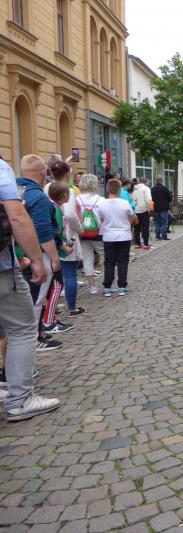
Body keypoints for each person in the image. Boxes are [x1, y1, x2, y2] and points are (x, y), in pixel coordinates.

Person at [0, 157, 61, 420]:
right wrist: (37, 259)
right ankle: (20, 399)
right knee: (22, 328)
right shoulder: (2, 171)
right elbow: (17, 216)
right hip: (2, 269)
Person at [17, 155, 65, 351]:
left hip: (19, 255)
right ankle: (34, 338)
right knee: (36, 298)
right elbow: (44, 232)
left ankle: (35, 333)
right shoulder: (38, 198)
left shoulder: (16, 191)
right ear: (43, 173)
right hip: (36, 255)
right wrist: (54, 258)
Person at [47, 181, 85, 318]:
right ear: (64, 195)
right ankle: (70, 309)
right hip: (61, 247)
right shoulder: (57, 209)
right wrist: (63, 246)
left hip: (57, 246)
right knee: (67, 276)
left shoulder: (53, 206)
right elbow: (57, 231)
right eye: (69, 193)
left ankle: (52, 310)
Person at [98, 179, 137, 297]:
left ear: (107, 189)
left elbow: (101, 219)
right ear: (119, 189)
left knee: (109, 262)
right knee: (122, 261)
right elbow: (132, 219)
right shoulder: (124, 203)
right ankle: (121, 286)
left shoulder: (102, 204)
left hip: (109, 236)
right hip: (124, 235)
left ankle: (107, 287)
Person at [77, 174, 105, 293]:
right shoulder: (100, 200)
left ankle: (92, 286)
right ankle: (110, 283)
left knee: (87, 259)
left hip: (82, 232)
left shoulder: (77, 199)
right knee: (106, 257)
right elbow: (105, 217)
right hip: (99, 233)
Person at [132, 178, 152, 250]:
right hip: (144, 210)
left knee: (136, 228)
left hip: (135, 210)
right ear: (145, 182)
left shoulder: (133, 188)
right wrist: (148, 208)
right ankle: (146, 244)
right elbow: (149, 199)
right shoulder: (146, 188)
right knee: (145, 228)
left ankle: (138, 244)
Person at [151, 176, 172, 241]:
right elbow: (170, 198)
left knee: (157, 223)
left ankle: (157, 236)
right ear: (162, 180)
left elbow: (151, 199)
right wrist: (166, 201)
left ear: (156, 180)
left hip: (156, 208)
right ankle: (164, 236)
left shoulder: (153, 189)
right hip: (164, 208)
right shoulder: (165, 188)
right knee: (164, 223)